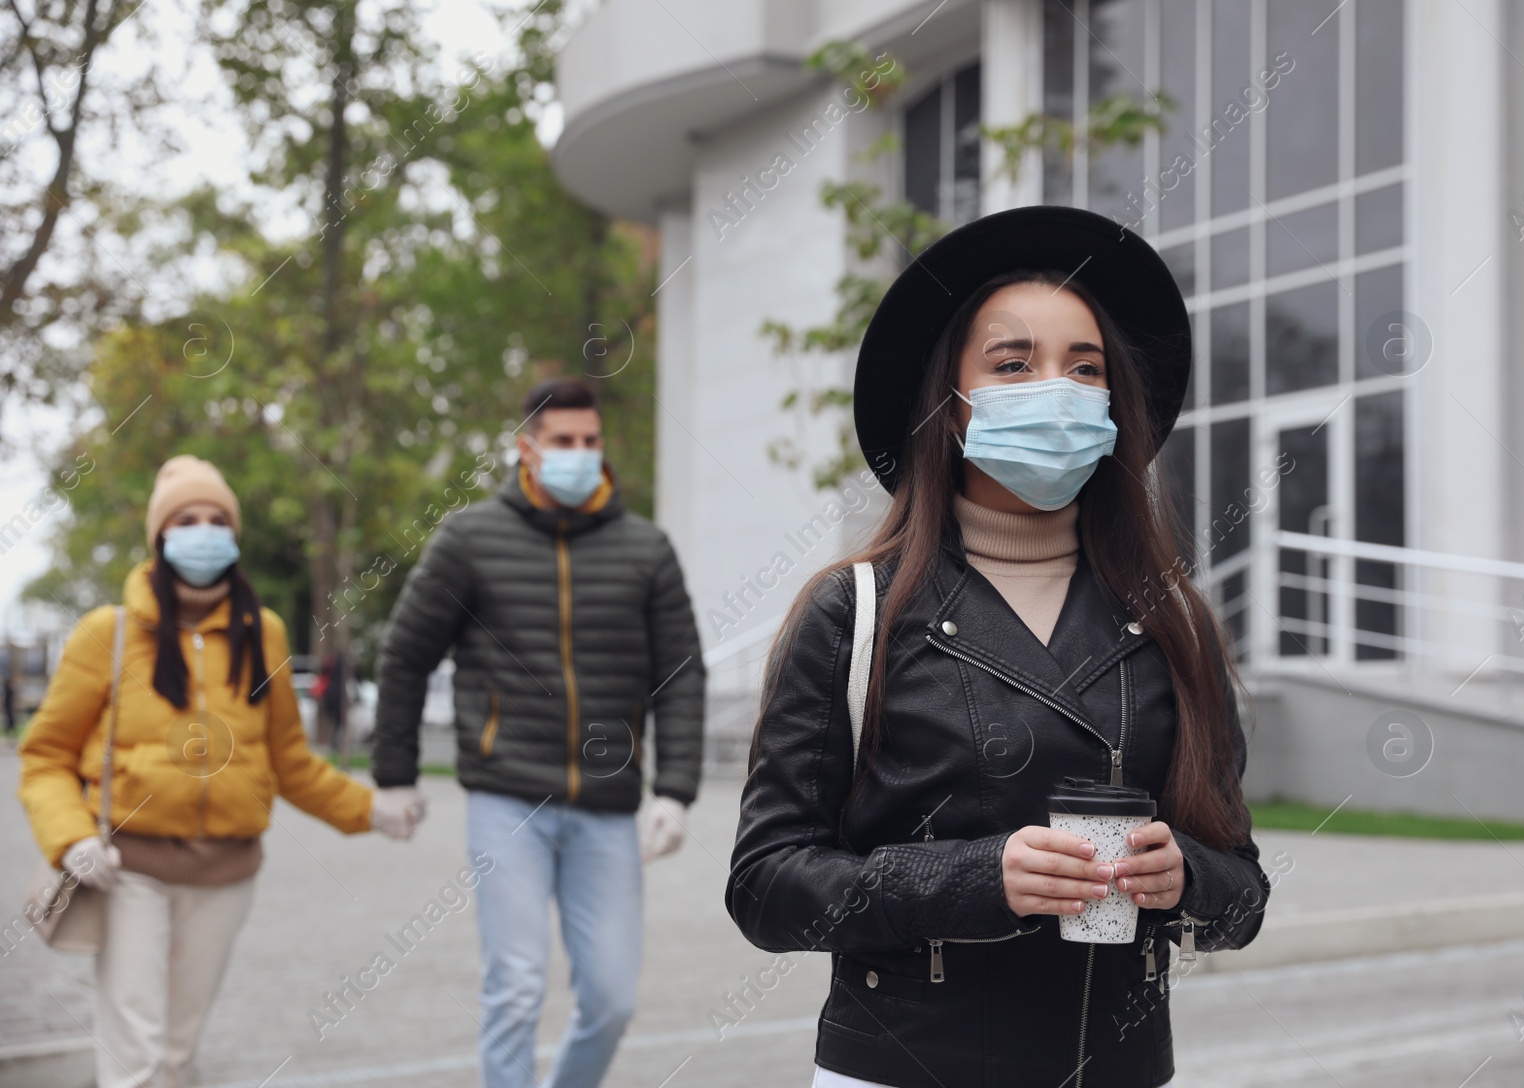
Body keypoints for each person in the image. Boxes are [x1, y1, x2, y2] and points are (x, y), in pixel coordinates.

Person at [726, 206, 1271, 1088]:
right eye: (1013, 364)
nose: (1053, 388)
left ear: (1112, 409)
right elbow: (766, 886)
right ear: (949, 407)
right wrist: (980, 878)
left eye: (1083, 369)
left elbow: (1242, 890)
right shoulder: (853, 611)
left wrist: (1188, 882)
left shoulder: (1176, 623)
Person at [17, 454, 425, 1088]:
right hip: (130, 871)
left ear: (233, 535)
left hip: (227, 877)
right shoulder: (109, 633)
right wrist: (69, 837)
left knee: (177, 1055)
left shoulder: (261, 634)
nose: (203, 531)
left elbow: (289, 760)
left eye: (217, 519)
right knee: (138, 1059)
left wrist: (370, 810)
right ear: (159, 536)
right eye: (186, 519)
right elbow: (44, 755)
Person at [371, 376, 706, 1088]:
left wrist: (675, 790)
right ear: (527, 448)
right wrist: (394, 776)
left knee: (612, 1001)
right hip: (508, 800)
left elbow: (681, 674)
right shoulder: (468, 539)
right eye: (563, 442)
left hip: (608, 809)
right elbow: (404, 654)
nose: (579, 454)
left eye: (590, 441)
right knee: (516, 987)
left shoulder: (646, 548)